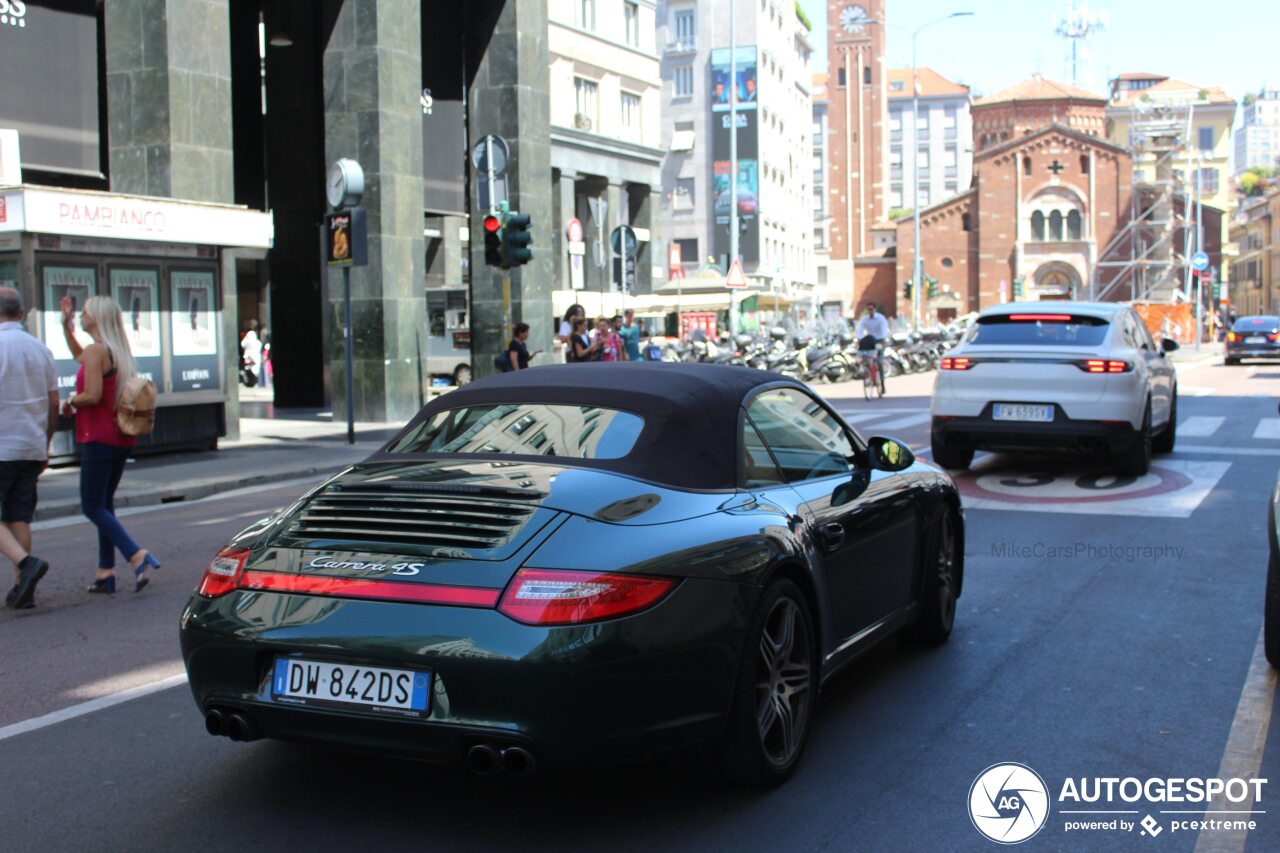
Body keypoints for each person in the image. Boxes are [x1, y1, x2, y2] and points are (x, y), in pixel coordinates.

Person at [59, 295, 161, 595]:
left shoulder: (96, 351)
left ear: (96, 318)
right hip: (121, 438)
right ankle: (105, 573)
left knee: (92, 506)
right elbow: (81, 356)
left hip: (98, 438)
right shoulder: (115, 350)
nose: (81, 316)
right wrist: (66, 327)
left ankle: (135, 554)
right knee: (105, 505)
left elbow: (90, 395)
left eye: (85, 313)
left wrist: (68, 401)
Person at [0, 287, 57, 609]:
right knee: (18, 515)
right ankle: (24, 589)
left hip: (2, 444)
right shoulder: (40, 349)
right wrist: (46, 441)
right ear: (20, 313)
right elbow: (53, 401)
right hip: (32, 443)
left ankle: (25, 564)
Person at [855, 303, 890, 393]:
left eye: (871, 309)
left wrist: (882, 340)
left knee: (879, 362)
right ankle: (867, 374)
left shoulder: (880, 318)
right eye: (868, 309)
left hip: (879, 340)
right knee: (865, 357)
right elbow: (860, 330)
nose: (870, 311)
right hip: (870, 341)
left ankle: (882, 384)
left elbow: (884, 331)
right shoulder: (864, 319)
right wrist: (859, 338)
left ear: (874, 309)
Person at [240, 320, 262, 386]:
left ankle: (252, 382)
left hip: (252, 358)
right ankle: (252, 382)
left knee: (253, 371)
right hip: (250, 358)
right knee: (250, 371)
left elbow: (242, 344)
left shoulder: (252, 342)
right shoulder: (256, 342)